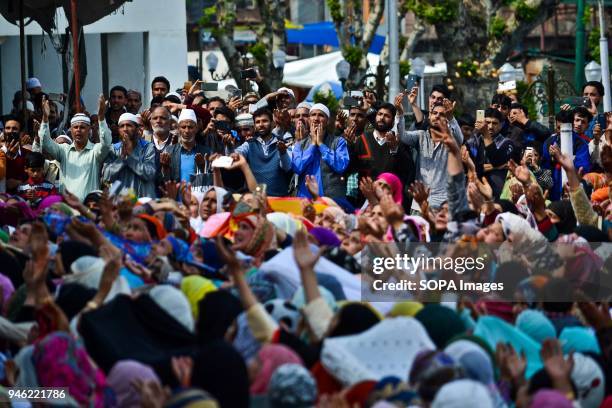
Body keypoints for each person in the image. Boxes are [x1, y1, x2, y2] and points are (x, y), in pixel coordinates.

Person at [39, 95, 112, 200]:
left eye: (82, 127)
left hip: (89, 208)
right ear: (71, 130)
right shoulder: (63, 150)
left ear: (89, 129)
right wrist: (45, 118)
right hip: (67, 209)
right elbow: (45, 142)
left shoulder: (95, 151)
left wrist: (101, 118)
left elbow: (106, 143)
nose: (78, 130)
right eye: (75, 127)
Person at [399, 99, 462, 208]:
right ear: (429, 116)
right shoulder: (420, 136)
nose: (437, 116)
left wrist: (451, 117)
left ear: (446, 120)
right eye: (434, 113)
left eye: (442, 114)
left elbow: (459, 140)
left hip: (444, 204)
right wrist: (400, 114)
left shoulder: (450, 139)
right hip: (420, 203)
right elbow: (402, 136)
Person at [291, 103, 349, 200]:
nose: (316, 118)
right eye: (313, 115)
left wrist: (321, 145)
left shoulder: (338, 141)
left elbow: (341, 166)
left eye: (321, 115)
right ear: (309, 120)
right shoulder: (300, 143)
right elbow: (297, 167)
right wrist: (313, 144)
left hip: (330, 199)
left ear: (328, 121)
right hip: (305, 198)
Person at [234, 108, 292, 197]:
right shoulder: (249, 144)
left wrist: (283, 152)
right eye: (257, 122)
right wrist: (231, 151)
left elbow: (287, 168)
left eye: (265, 121)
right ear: (254, 126)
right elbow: (237, 154)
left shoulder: (283, 144)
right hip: (255, 199)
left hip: (279, 199)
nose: (261, 125)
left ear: (272, 123)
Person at [101, 113, 157, 198]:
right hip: (120, 202)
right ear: (118, 130)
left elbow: (149, 174)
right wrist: (121, 158)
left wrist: (130, 157)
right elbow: (106, 177)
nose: (125, 129)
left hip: (143, 200)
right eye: (122, 126)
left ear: (137, 129)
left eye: (129, 125)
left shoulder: (148, 147)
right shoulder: (114, 149)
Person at [161, 109, 211, 185]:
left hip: (197, 196)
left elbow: (211, 181)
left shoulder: (206, 152)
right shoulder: (169, 151)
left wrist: (203, 167)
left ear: (196, 129)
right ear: (178, 129)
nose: (187, 131)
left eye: (190, 127)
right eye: (183, 127)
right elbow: (163, 181)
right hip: (176, 195)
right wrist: (165, 168)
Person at [477, 108, 516, 198]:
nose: (490, 127)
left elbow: (495, 160)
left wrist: (486, 134)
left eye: (494, 123)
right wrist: (496, 167)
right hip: (477, 191)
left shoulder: (507, 143)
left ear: (501, 125)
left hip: (498, 194)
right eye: (487, 122)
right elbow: (469, 168)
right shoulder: (474, 141)